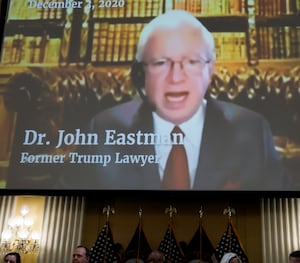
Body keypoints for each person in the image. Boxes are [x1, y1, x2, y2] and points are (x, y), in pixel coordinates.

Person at [57, 9, 291, 190]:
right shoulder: (103, 129)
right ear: (142, 74)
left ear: (210, 71)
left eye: (191, 61)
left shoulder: (252, 131)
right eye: (160, 63)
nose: (176, 77)